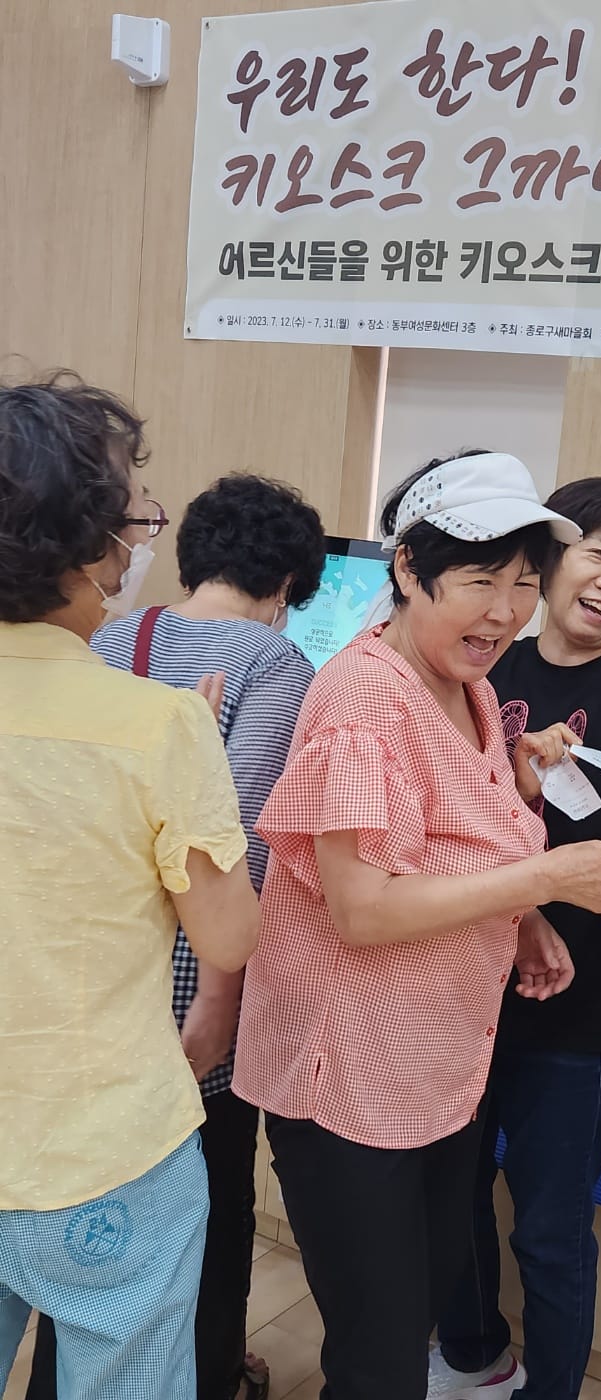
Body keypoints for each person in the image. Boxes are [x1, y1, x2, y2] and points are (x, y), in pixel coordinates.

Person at [232, 450, 601, 1400]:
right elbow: (362, 906)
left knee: (417, 1306)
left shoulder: (469, 687)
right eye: (478, 581)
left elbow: (455, 838)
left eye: (523, 584)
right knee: (379, 1357)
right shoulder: (362, 701)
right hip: (348, 1075)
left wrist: (525, 914)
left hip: (434, 1066)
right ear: (408, 568)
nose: (505, 612)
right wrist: (546, 877)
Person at [26, 475, 324, 1400]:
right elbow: (247, 852)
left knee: (70, 1239)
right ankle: (214, 1373)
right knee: (211, 1202)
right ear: (287, 583)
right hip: (193, 992)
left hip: (84, 984)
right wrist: (219, 1007)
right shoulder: (277, 666)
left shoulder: (109, 638)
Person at [0, 372, 259, 1400]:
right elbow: (228, 938)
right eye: (132, 512)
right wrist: (198, 778)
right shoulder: (161, 725)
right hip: (105, 1152)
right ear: (91, 544)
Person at [431, 478, 601, 1400]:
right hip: (456, 992)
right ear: (548, 562)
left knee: (549, 1231)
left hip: (574, 1016)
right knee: (453, 1199)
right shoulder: (479, 672)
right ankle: (472, 1354)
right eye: (598, 553)